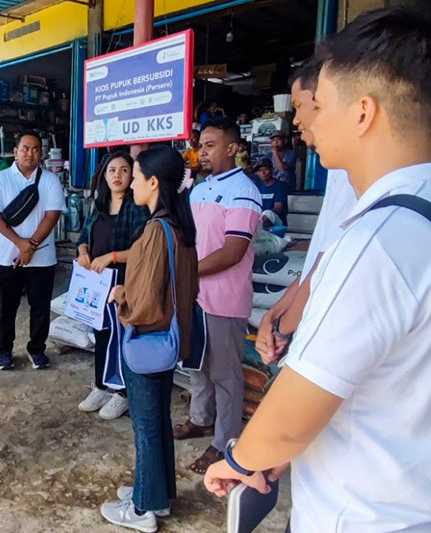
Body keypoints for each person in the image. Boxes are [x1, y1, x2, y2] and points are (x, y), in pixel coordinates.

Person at [205, 8, 431, 532]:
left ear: (363, 113)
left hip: (364, 515)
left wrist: (240, 461)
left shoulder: (381, 239)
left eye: (319, 105)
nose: (304, 124)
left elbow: (300, 403)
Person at [99, 146, 199, 532]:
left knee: (146, 424)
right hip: (167, 339)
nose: (133, 183)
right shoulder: (178, 226)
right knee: (156, 419)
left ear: (153, 182)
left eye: (137, 176)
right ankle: (156, 492)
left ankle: (143, 509)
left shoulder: (157, 230)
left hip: (146, 338)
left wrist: (121, 298)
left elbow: (144, 300)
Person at [173, 116, 261, 474]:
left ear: (232, 148)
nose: (202, 152)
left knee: (225, 374)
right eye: (200, 146)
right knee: (197, 365)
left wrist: (187, 273)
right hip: (195, 296)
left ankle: (224, 442)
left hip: (224, 299)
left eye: (210, 145)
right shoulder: (199, 189)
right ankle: (200, 418)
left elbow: (233, 251)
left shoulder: (244, 190)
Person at [256, 58, 356, 364]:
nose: (296, 120)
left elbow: (330, 263)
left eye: (300, 106)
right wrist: (273, 313)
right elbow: (317, 261)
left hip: (327, 336)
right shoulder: (339, 171)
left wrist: (283, 331)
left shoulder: (359, 179)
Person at [0, 131, 65, 371]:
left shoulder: (49, 180)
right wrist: (20, 243)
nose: (30, 153)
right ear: (15, 151)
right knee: (6, 305)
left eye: (36, 149)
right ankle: (4, 350)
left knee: (40, 306)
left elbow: (53, 215)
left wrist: (31, 246)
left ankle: (37, 349)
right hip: (6, 255)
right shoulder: (1, 178)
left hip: (43, 256)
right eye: (25, 148)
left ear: (42, 153)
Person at [75, 151, 149, 420]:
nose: (117, 175)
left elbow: (144, 250)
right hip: (98, 283)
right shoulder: (99, 207)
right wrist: (83, 251)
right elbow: (83, 237)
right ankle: (101, 385)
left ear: (132, 177)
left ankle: (123, 393)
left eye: (124, 170)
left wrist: (112, 257)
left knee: (123, 337)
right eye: (112, 170)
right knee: (102, 334)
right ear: (104, 176)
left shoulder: (137, 207)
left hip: (124, 283)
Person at [253, 158, 288, 226]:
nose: (263, 173)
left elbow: (278, 209)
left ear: (272, 170)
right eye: (260, 171)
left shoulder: (279, 186)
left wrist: (262, 215)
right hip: (260, 218)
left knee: (267, 214)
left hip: (277, 222)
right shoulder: (257, 186)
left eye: (265, 169)